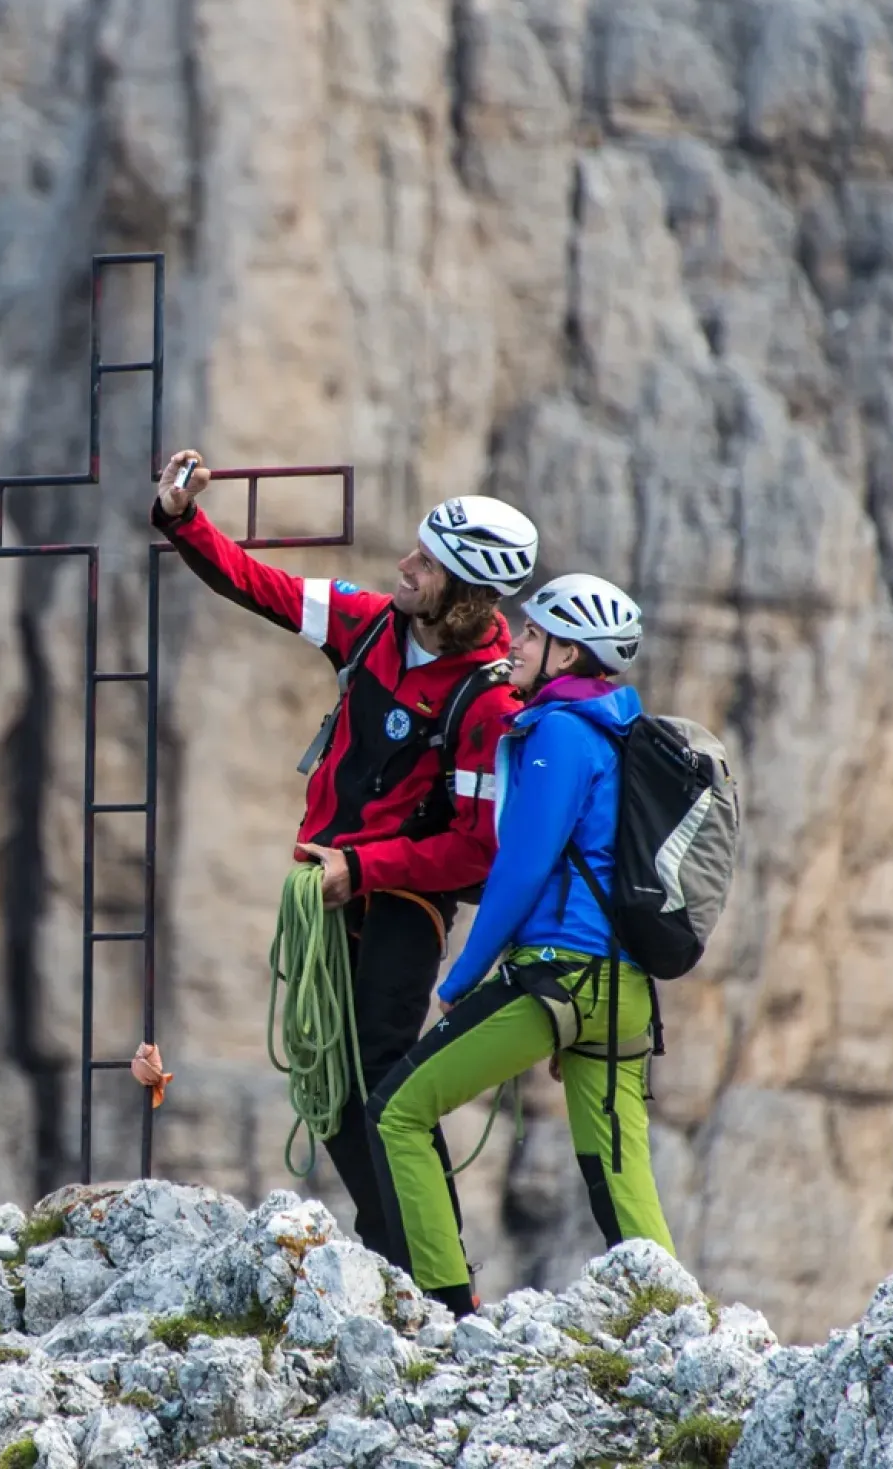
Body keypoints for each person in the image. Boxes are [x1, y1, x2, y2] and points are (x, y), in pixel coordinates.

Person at [151, 449, 537, 1259]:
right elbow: (266, 589)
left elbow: (471, 852)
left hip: (400, 906)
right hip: (334, 886)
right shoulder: (372, 626)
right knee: (330, 1088)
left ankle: (430, 1265)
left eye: (425, 563)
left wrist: (361, 869)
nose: (403, 565)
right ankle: (393, 1246)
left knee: (384, 1078)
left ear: (463, 596)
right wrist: (185, 522)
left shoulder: (489, 703)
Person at [363, 572, 676, 1318]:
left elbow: (523, 865)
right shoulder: (615, 724)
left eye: (535, 634)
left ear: (567, 653)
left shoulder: (559, 734)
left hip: (558, 979)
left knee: (397, 1110)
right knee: (619, 1168)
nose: (520, 641)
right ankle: (677, 1321)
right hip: (623, 988)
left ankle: (444, 1310)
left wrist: (461, 976)